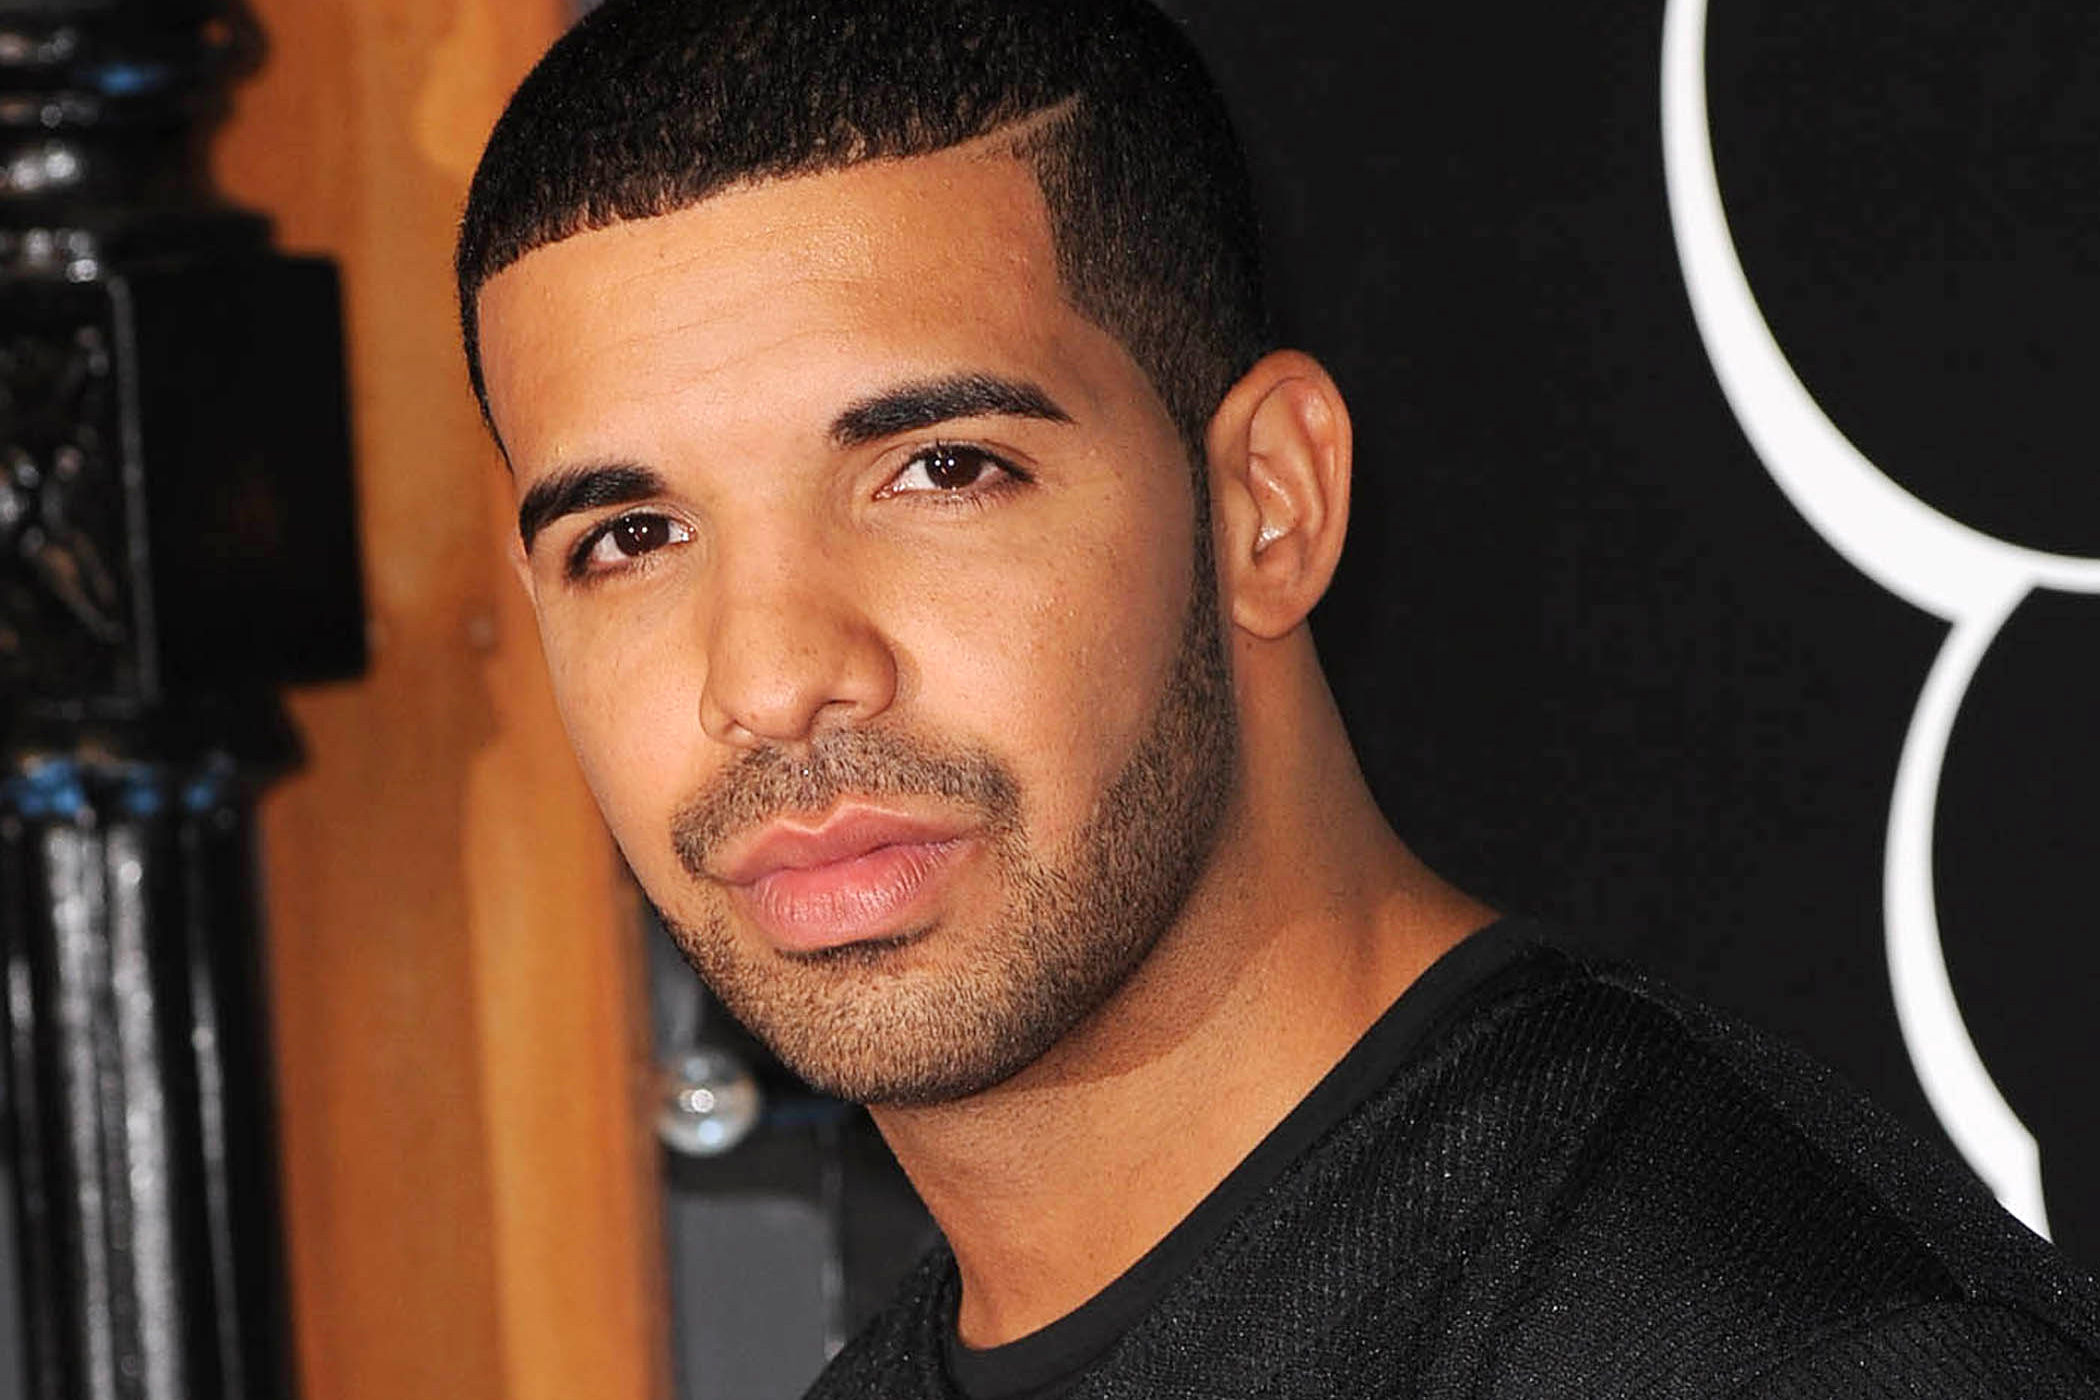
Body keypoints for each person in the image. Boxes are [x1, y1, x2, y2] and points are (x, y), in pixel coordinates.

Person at [455, 1, 2100, 1394]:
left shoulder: (1783, 1354)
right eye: (631, 538)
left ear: (1267, 503)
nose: (769, 677)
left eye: (941, 469)